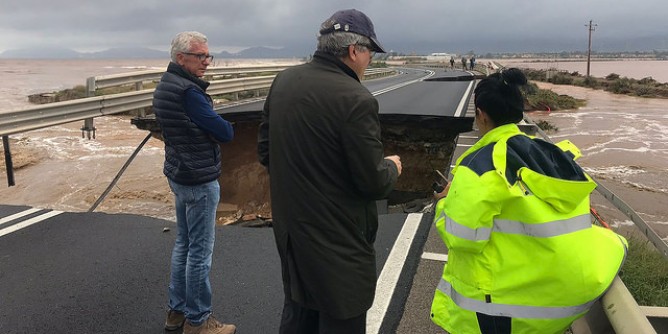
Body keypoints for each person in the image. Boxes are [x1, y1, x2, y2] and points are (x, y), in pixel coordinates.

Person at [430, 68, 627, 334]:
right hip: (558, 304)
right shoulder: (550, 154)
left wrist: (444, 202)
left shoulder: (480, 166)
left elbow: (463, 237)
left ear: (481, 114)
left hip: (506, 312)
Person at [257, 9, 402, 334]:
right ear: (354, 51)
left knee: (298, 314)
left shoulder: (285, 81)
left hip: (293, 235)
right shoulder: (356, 99)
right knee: (342, 318)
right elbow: (373, 182)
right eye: (370, 53)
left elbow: (265, 151)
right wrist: (392, 167)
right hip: (339, 245)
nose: (370, 62)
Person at [152, 31, 236, 334]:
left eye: (207, 56)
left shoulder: (165, 86)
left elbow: (181, 129)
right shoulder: (189, 92)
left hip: (179, 174)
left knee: (184, 244)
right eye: (201, 56)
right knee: (200, 251)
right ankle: (199, 321)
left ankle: (176, 313)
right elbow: (225, 132)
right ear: (181, 58)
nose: (207, 63)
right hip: (199, 179)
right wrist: (217, 128)